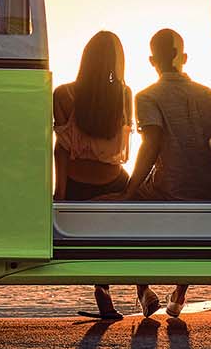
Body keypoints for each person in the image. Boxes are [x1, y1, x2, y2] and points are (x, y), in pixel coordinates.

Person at [124, 28, 211, 317]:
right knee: (195, 235)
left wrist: (130, 190)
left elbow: (151, 145)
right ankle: (179, 295)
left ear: (151, 60)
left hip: (171, 188)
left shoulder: (147, 96)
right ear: (184, 57)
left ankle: (144, 291)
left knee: (128, 207)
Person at [52, 31, 134, 320]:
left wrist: (60, 193)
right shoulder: (124, 94)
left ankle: (105, 299)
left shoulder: (63, 94)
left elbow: (61, 150)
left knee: (92, 245)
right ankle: (144, 291)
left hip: (78, 184)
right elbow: (126, 146)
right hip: (116, 179)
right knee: (128, 238)